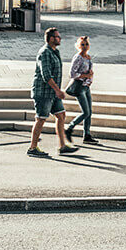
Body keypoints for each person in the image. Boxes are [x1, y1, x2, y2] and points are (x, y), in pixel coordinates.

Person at [29, 26, 76, 157]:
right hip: (43, 93)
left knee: (61, 115)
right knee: (41, 119)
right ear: (50, 39)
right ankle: (33, 148)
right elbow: (46, 75)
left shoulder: (55, 52)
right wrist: (58, 90)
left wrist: (56, 91)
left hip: (53, 93)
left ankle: (62, 146)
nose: (59, 38)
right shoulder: (44, 53)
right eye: (57, 36)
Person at [65, 35, 99, 145]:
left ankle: (87, 135)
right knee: (86, 112)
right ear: (78, 46)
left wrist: (90, 76)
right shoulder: (78, 57)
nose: (85, 46)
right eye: (82, 44)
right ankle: (70, 128)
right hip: (79, 87)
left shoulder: (88, 57)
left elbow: (89, 72)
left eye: (86, 44)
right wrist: (85, 75)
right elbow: (72, 74)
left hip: (86, 87)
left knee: (89, 112)